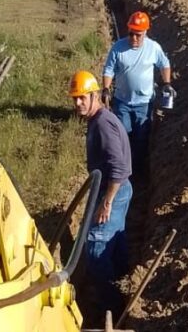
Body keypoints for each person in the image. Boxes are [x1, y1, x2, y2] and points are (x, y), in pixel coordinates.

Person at [69, 70, 133, 321]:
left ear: (94, 95)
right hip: (117, 189)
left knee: (96, 248)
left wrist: (106, 202)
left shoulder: (103, 124)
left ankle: (111, 305)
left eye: (82, 98)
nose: (77, 103)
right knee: (115, 239)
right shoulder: (100, 118)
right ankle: (122, 278)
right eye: (74, 98)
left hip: (113, 191)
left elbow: (118, 167)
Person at [102, 11, 174, 172]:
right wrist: (106, 89)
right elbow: (109, 69)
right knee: (124, 135)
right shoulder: (118, 48)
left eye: (138, 35)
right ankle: (124, 169)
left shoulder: (153, 48)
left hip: (144, 103)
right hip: (122, 101)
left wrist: (167, 83)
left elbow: (164, 64)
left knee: (141, 136)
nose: (134, 38)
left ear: (145, 32)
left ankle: (139, 168)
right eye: (131, 34)